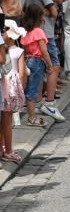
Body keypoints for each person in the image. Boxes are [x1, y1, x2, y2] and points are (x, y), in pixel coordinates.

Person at [19, 3, 52, 128]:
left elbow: (25, 49)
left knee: (29, 89)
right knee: (32, 91)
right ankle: (32, 118)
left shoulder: (26, 33)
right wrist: (49, 65)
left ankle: (32, 115)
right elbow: (43, 51)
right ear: (39, 17)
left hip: (27, 60)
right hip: (37, 61)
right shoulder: (38, 32)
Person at [0, 20, 27, 162]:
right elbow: (22, 74)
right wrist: (20, 91)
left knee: (3, 121)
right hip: (11, 91)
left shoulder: (4, 51)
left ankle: (2, 148)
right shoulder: (18, 51)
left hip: (3, 89)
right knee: (7, 121)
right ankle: (8, 149)